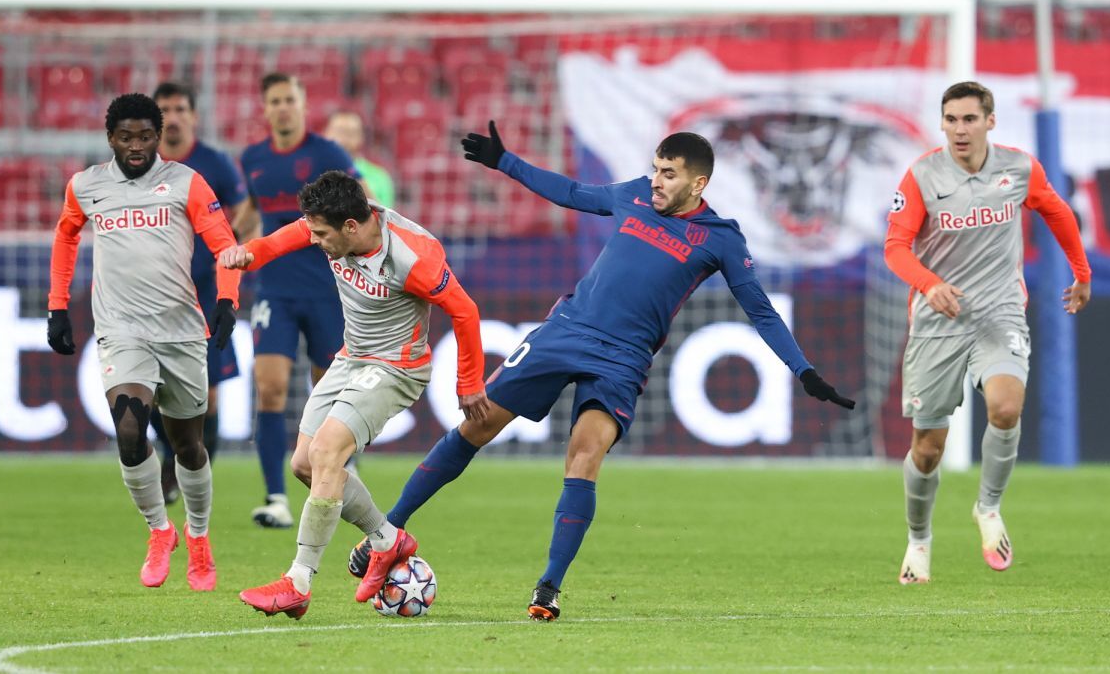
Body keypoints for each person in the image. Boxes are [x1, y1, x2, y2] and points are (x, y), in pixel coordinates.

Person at [349, 122, 856, 621]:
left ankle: (549, 587)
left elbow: (761, 310)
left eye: (669, 174)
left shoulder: (720, 238)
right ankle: (387, 533)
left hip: (623, 359)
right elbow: (572, 193)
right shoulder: (634, 195)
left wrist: (803, 370)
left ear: (698, 183)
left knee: (584, 455)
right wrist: (505, 162)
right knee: (476, 425)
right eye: (655, 169)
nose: (656, 180)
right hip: (567, 330)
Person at [224, 170, 489, 619]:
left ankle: (298, 581)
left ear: (351, 226)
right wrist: (250, 253)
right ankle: (387, 539)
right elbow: (285, 238)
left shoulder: (412, 256)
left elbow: (464, 311)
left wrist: (469, 382)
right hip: (351, 358)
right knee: (304, 464)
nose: (315, 241)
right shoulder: (331, 225)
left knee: (327, 451)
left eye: (322, 235)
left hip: (395, 368)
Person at [885, 81, 1092, 585]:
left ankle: (989, 507)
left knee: (1005, 406)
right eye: (951, 119)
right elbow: (895, 247)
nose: (959, 129)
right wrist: (930, 284)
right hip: (938, 322)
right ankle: (918, 540)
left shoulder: (1018, 168)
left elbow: (1058, 212)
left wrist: (1081, 272)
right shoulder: (922, 175)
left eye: (969, 119)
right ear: (942, 123)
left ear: (990, 121)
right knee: (928, 448)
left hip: (999, 312)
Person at [46, 93, 241, 590]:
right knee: (130, 431)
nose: (136, 146)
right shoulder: (86, 185)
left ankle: (198, 537)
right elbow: (66, 236)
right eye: (126, 137)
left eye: (145, 136)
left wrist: (227, 299)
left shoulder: (187, 182)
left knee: (188, 446)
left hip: (181, 331)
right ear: (110, 138)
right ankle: (159, 530)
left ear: (159, 137)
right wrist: (57, 305)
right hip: (122, 330)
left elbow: (224, 243)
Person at [234, 72, 361, 529]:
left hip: (327, 290)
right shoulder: (253, 158)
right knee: (269, 387)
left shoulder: (329, 155)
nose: (283, 107)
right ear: (265, 108)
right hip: (275, 289)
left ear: (303, 104)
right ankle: (275, 498)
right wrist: (227, 244)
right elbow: (250, 212)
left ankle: (343, 475)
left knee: (329, 390)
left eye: (289, 99)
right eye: (275, 101)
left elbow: (361, 206)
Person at [147, 80, 249, 505]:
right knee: (152, 388)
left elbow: (244, 212)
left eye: (179, 109)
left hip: (205, 292)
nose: (172, 118)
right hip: (153, 293)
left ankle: (197, 471)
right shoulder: (141, 165)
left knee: (206, 393)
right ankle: (172, 458)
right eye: (164, 110)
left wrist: (226, 250)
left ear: (193, 115)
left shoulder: (214, 163)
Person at [323, 110, 396, 208]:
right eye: (339, 132)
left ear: (361, 138)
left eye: (351, 134)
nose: (343, 140)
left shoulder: (379, 177)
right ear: (325, 134)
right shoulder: (310, 170)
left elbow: (385, 215)